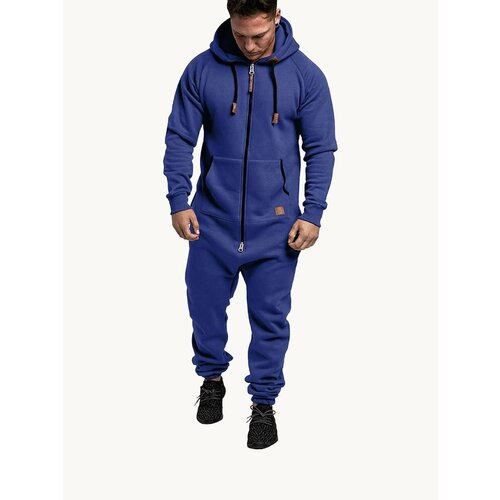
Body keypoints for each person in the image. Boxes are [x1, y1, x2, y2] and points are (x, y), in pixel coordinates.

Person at [163, 0, 338, 450]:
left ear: (277, 16)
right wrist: (179, 200)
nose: (250, 45)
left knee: (270, 320)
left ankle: (263, 404)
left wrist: (312, 212)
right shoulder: (201, 70)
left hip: (276, 228)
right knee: (204, 311)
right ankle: (211, 379)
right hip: (210, 222)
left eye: (258, 35)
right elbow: (180, 137)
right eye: (241, 35)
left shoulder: (306, 76)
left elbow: (320, 148)